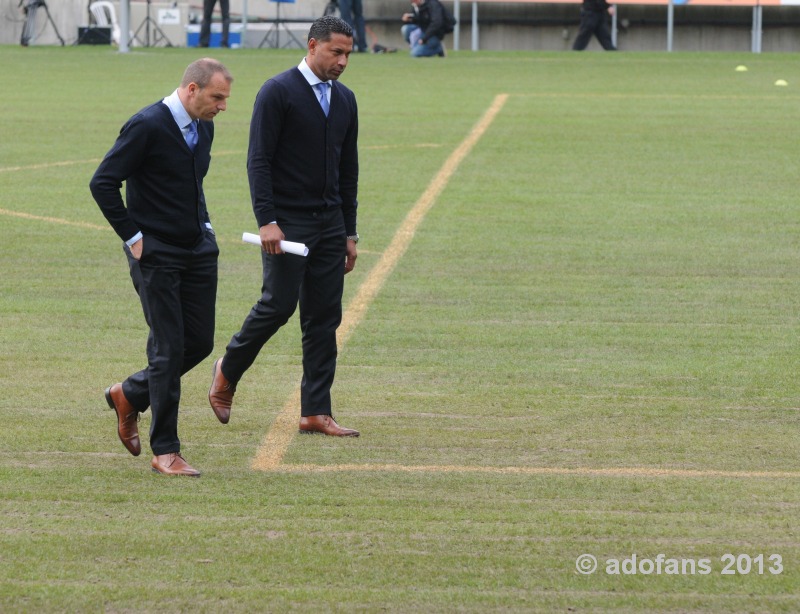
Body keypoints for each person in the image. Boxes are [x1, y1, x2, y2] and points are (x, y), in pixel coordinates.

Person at [208, 16, 360, 438]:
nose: (343, 61)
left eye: (349, 54)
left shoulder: (346, 100)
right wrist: (267, 221)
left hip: (331, 225)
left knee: (324, 317)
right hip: (287, 223)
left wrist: (349, 232)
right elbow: (258, 160)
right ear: (313, 46)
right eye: (336, 52)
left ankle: (315, 410)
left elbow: (349, 171)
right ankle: (227, 370)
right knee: (277, 306)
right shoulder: (278, 92)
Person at [90, 58, 233, 477]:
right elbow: (103, 182)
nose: (222, 107)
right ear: (191, 89)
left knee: (200, 343)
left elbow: (193, 185)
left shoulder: (203, 126)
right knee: (168, 349)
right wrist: (134, 238)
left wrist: (205, 230)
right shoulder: (147, 125)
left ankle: (129, 394)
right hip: (156, 256)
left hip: (197, 251)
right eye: (216, 97)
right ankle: (165, 450)